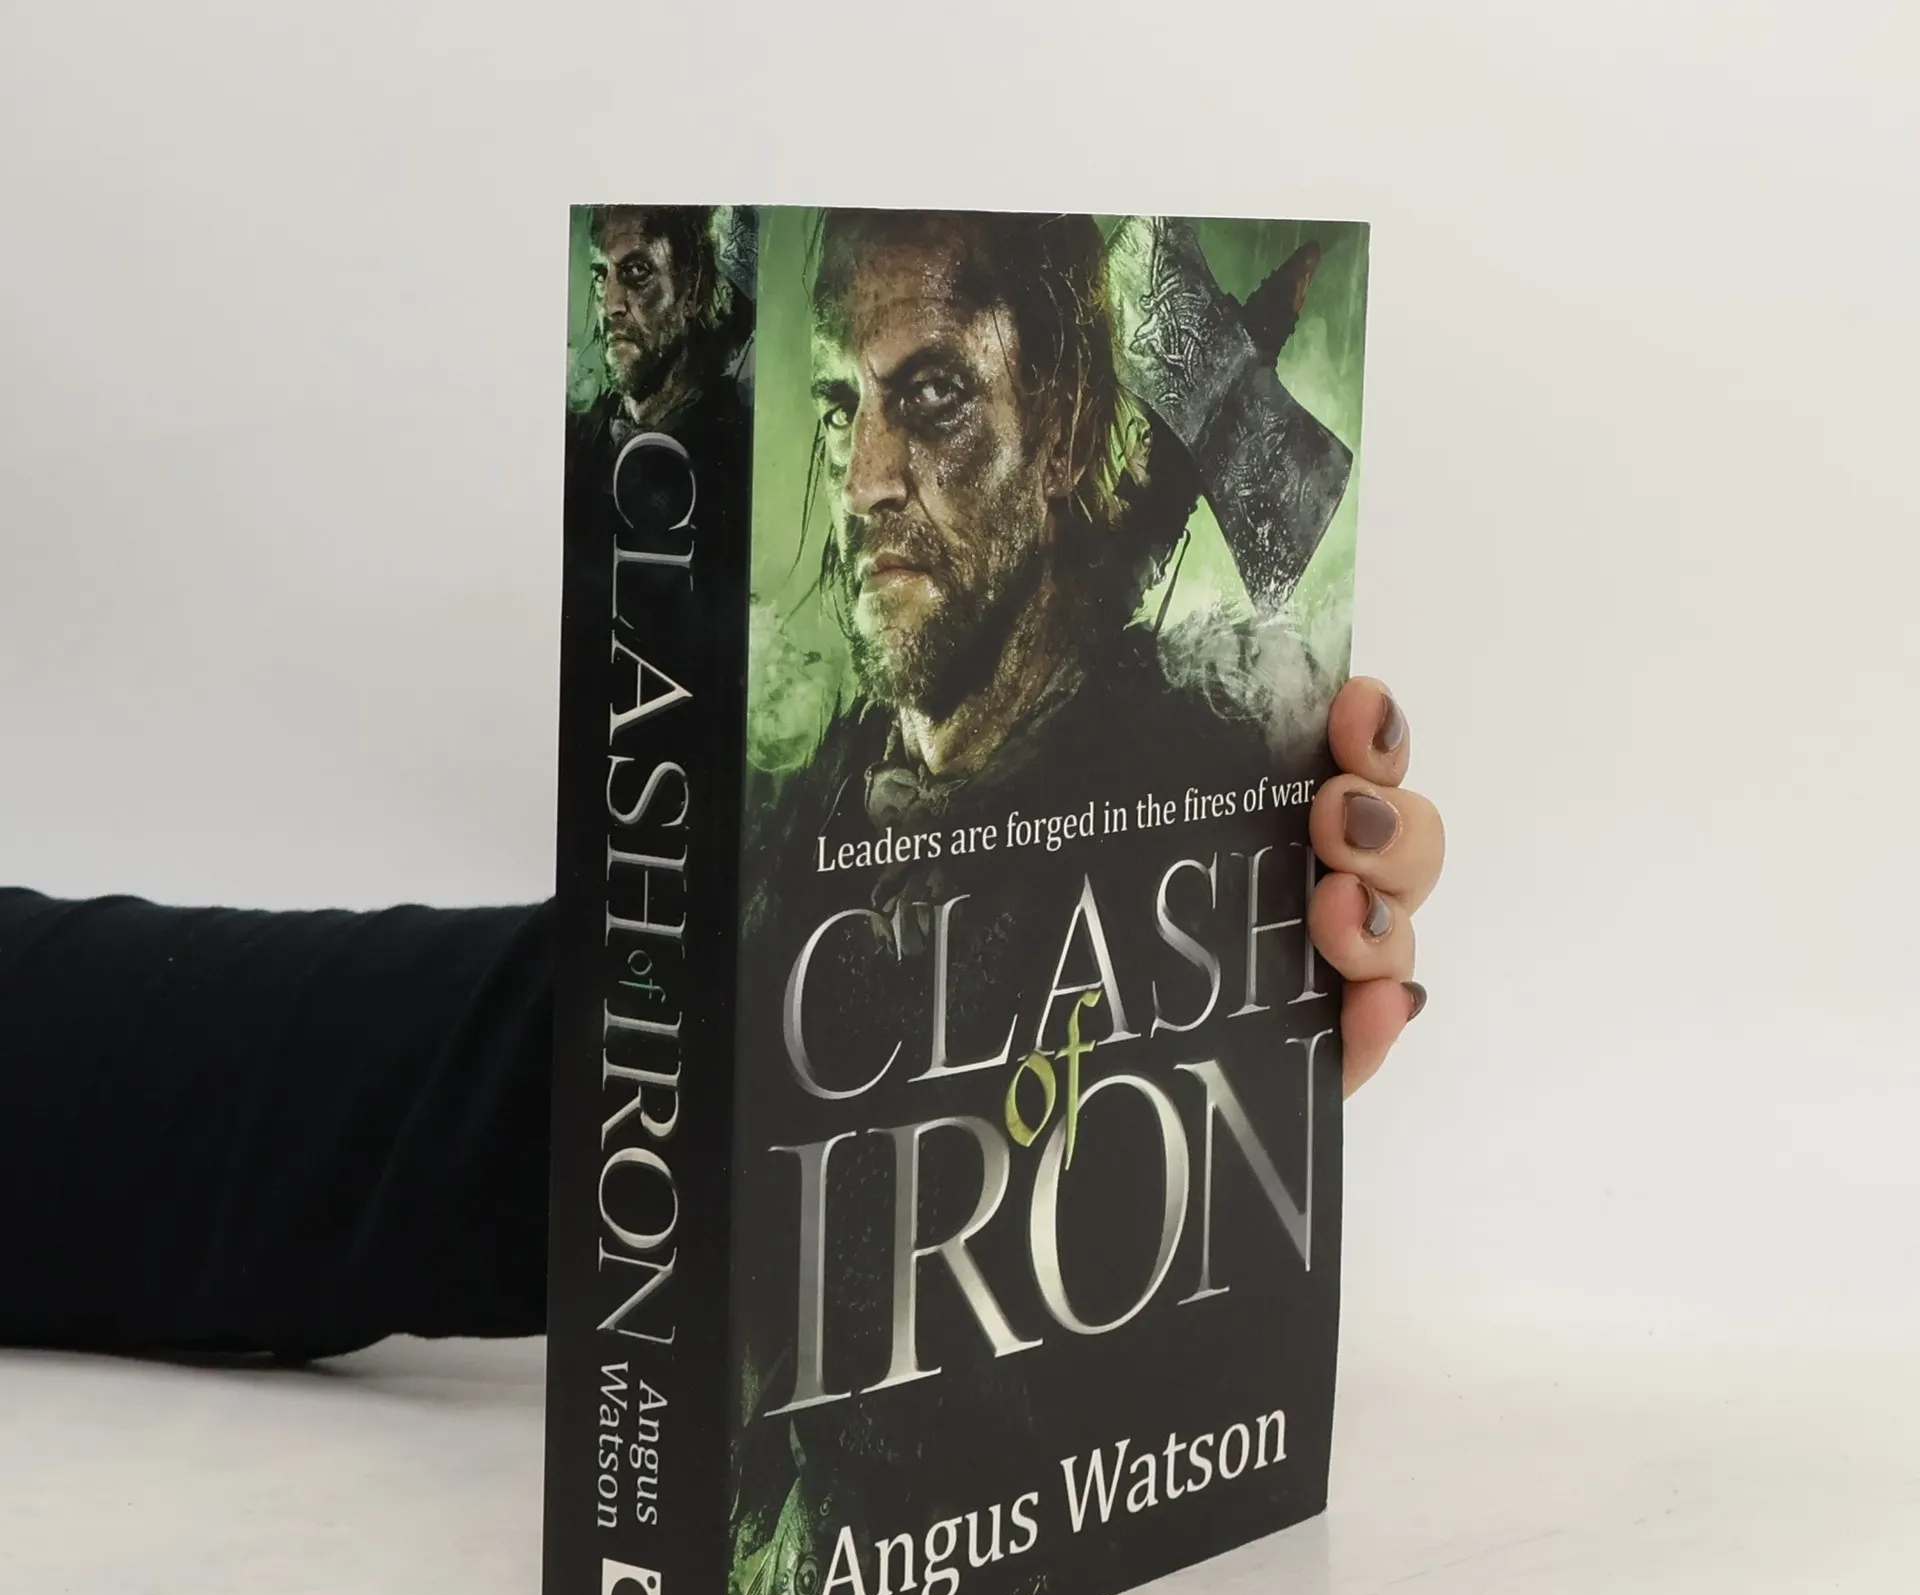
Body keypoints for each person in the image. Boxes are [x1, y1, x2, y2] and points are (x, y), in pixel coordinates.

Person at [0, 210, 1443, 1365]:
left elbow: (150, 1082)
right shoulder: (828, 785)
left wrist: (752, 1054)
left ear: (1061, 431)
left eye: (934, 397)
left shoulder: (901, 815)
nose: (865, 479)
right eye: (841, 410)